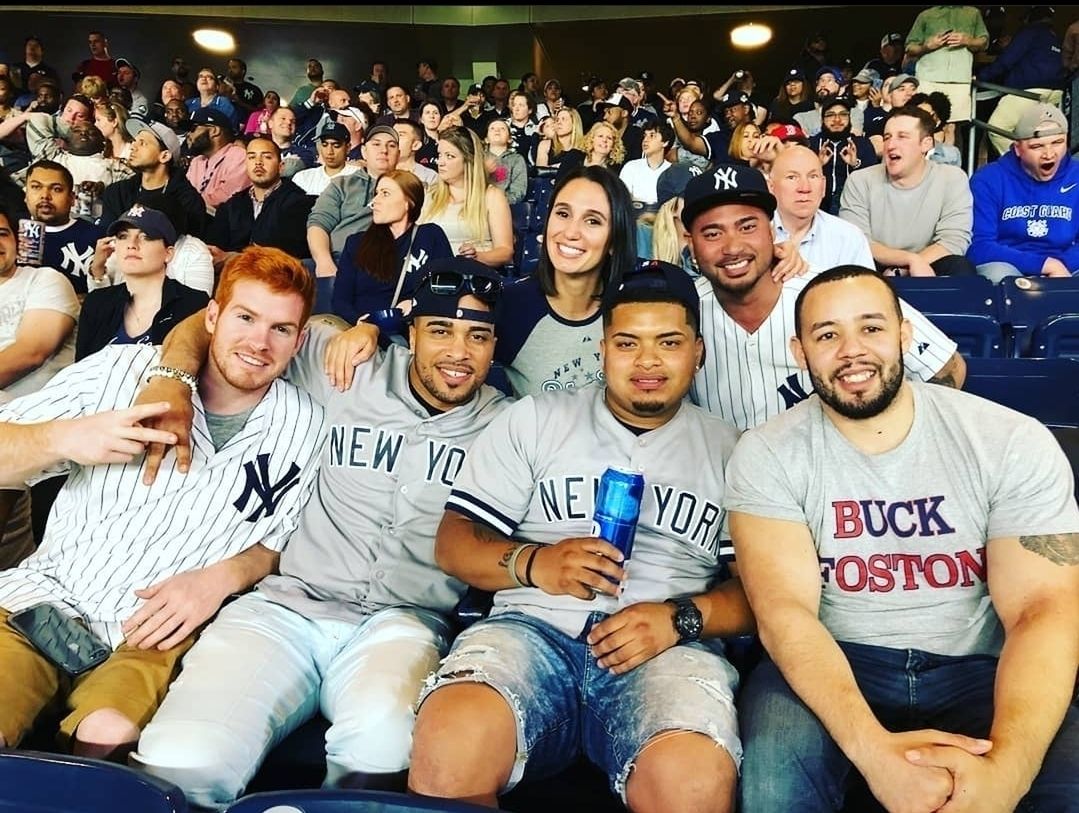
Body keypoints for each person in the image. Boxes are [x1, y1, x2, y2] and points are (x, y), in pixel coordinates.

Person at [131, 259, 510, 807]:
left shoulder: (510, 424)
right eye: (440, 330)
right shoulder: (347, 366)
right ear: (411, 334)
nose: (458, 352)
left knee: (383, 744)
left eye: (478, 336)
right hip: (287, 607)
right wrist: (174, 378)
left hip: (403, 622)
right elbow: (213, 323)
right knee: (185, 755)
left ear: (495, 346)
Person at [726, 264, 1079, 813]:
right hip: (836, 660)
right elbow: (783, 612)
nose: (852, 351)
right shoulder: (767, 453)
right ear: (799, 352)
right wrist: (875, 757)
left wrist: (1008, 776)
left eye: (870, 328)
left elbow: (1044, 609)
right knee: (774, 785)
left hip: (978, 666)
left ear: (905, 335)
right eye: (827, 335)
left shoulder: (1009, 440)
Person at [408, 261, 749, 813]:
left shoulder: (736, 451)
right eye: (628, 343)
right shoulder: (535, 419)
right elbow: (454, 543)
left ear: (699, 352)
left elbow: (761, 594)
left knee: (692, 782)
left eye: (668, 343)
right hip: (530, 631)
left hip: (667, 650)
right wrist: (535, 563)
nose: (647, 362)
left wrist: (681, 618)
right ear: (603, 349)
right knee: (451, 740)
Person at [0, 246, 325, 759]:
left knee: (107, 737)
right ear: (212, 317)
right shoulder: (121, 370)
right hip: (40, 599)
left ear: (299, 340)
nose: (259, 343)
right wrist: (62, 438)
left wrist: (223, 578)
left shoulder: (309, 425)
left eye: (281, 329)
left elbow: (281, 540)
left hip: (153, 633)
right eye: (244, 318)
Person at [681, 162, 965, 431]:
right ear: (691, 244)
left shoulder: (839, 292)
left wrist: (882, 440)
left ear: (771, 231)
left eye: (747, 227)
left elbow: (947, 368)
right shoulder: (681, 309)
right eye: (713, 233)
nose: (733, 247)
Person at [327, 164, 636, 399]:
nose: (571, 232)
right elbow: (440, 350)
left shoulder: (636, 308)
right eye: (563, 214)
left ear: (615, 237)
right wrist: (369, 327)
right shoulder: (510, 304)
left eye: (593, 221)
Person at [839, 107, 975, 277]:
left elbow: (953, 240)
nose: (891, 145)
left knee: (960, 267)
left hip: (929, 264)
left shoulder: (952, 178)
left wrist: (906, 267)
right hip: (875, 266)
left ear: (926, 144)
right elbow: (857, 241)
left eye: (902, 137)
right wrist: (908, 260)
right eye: (887, 137)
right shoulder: (860, 180)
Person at [76, 205, 208, 360]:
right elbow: (79, 368)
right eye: (123, 236)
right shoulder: (96, 302)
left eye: (146, 237)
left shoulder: (194, 305)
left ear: (168, 253)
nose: (132, 244)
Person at [968, 103, 1079, 282]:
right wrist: (1043, 265)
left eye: (1057, 143)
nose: (1049, 154)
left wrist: (1059, 266)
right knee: (997, 275)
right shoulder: (988, 179)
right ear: (1018, 149)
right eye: (1037, 146)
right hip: (1010, 266)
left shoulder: (1076, 175)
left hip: (1066, 267)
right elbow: (979, 247)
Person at [332, 169, 452, 327]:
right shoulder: (356, 243)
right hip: (360, 330)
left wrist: (416, 302)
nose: (375, 201)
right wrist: (360, 322)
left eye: (385, 193)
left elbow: (448, 287)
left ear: (408, 203)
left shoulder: (430, 236)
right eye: (376, 193)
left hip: (411, 330)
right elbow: (340, 300)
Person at [306, 124, 400, 309]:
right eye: (376, 144)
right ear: (363, 151)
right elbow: (318, 223)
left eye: (391, 145)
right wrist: (324, 261)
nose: (384, 150)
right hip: (337, 259)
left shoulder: (409, 188)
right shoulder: (342, 184)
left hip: (382, 264)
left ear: (399, 153)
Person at [204, 136, 313, 267]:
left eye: (267, 157)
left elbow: (289, 254)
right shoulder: (231, 206)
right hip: (232, 274)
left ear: (281, 167)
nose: (258, 162)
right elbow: (215, 247)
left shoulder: (299, 202)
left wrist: (234, 258)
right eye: (252, 157)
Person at [978, 5, 1066, 159]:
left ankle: (1021, 163)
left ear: (1029, 17)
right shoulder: (1054, 37)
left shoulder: (1030, 32)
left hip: (1028, 91)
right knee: (1038, 136)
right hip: (1056, 93)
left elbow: (1006, 61)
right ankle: (1043, 163)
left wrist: (981, 76)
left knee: (997, 128)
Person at [418, 126, 512, 269]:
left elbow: (505, 251)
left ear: (469, 159)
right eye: (440, 155)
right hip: (433, 273)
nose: (440, 162)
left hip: (474, 274)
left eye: (450, 156)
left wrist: (477, 256)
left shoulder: (492, 197)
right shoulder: (429, 195)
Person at [769, 145, 874, 271]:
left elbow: (866, 284)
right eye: (792, 177)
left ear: (823, 186)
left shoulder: (849, 238)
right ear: (771, 187)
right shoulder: (754, 234)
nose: (805, 188)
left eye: (813, 176)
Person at [99, 118, 206, 240]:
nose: (133, 147)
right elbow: (107, 238)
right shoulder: (117, 192)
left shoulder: (187, 200)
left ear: (164, 156)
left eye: (143, 143)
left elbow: (188, 245)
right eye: (134, 141)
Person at [904, 5, 988, 135]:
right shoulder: (926, 15)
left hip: (959, 79)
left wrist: (968, 40)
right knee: (924, 124)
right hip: (928, 78)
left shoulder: (973, 13)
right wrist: (927, 46)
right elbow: (909, 47)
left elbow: (984, 42)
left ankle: (949, 150)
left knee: (952, 128)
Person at [25, 159, 104, 294]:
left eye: (56, 189)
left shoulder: (97, 238)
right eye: (36, 187)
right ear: (26, 195)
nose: (45, 196)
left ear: (72, 198)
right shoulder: (10, 236)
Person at [807, 96, 877, 216]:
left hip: (854, 207)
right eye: (830, 115)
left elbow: (873, 181)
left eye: (843, 114)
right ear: (822, 120)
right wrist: (817, 165)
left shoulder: (862, 144)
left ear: (850, 119)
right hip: (817, 208)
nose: (837, 119)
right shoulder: (811, 144)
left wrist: (855, 164)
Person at [186, 108, 249, 213]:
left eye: (193, 128)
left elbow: (225, 198)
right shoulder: (196, 162)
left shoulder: (239, 156)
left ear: (214, 131)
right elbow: (185, 194)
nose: (188, 134)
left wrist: (189, 204)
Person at [291, 120, 358, 196]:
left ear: (348, 148)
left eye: (336, 146)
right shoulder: (303, 177)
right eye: (325, 145)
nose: (329, 151)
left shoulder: (358, 177)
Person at [484, 118, 526, 205]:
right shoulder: (478, 158)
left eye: (502, 128)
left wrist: (499, 202)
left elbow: (518, 192)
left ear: (509, 139)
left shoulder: (516, 159)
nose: (497, 130)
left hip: (505, 206)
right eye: (492, 128)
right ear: (486, 139)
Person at [184, 69, 240, 133]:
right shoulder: (188, 103)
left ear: (217, 86)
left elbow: (233, 129)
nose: (204, 78)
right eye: (200, 76)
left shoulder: (224, 103)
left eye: (209, 77)